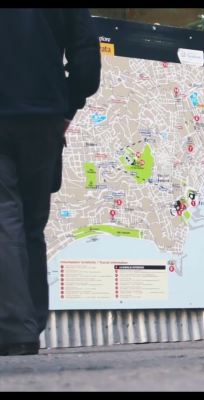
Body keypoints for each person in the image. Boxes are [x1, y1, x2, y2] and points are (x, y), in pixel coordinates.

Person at [0, 9, 101, 356]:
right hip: (44, 118)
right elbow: (87, 57)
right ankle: (29, 325)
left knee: (5, 219)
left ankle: (16, 330)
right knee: (31, 225)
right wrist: (66, 110)